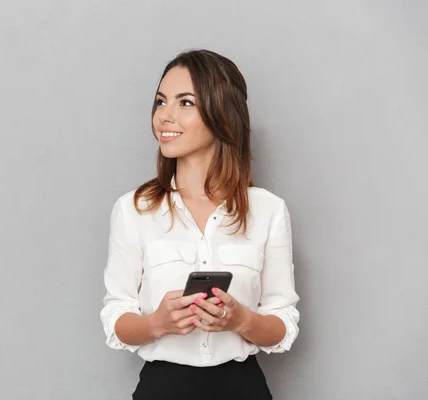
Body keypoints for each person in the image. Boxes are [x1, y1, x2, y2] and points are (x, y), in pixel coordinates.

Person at [100, 49, 300, 399]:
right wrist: (155, 323)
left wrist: (241, 321)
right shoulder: (134, 209)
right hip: (162, 388)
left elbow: (282, 324)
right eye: (161, 102)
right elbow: (117, 315)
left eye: (185, 103)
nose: (165, 116)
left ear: (222, 113)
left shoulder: (268, 210)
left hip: (243, 388)